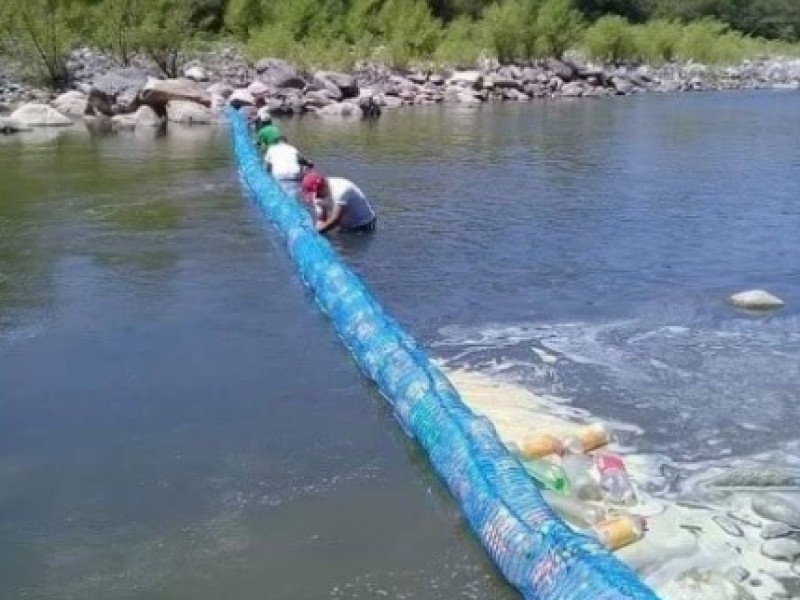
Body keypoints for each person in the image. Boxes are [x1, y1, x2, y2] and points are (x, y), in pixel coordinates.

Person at [301, 170, 377, 234]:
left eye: (317, 194)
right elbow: (321, 217)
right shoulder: (319, 194)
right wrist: (317, 228)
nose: (316, 198)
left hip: (364, 225)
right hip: (345, 224)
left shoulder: (341, 190)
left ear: (322, 186)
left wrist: (316, 232)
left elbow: (335, 220)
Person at [263, 130, 314, 196]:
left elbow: (267, 166)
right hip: (295, 175)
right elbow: (303, 160)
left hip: (278, 175)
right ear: (286, 142)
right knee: (304, 168)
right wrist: (309, 164)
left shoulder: (271, 149)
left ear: (277, 143)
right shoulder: (292, 148)